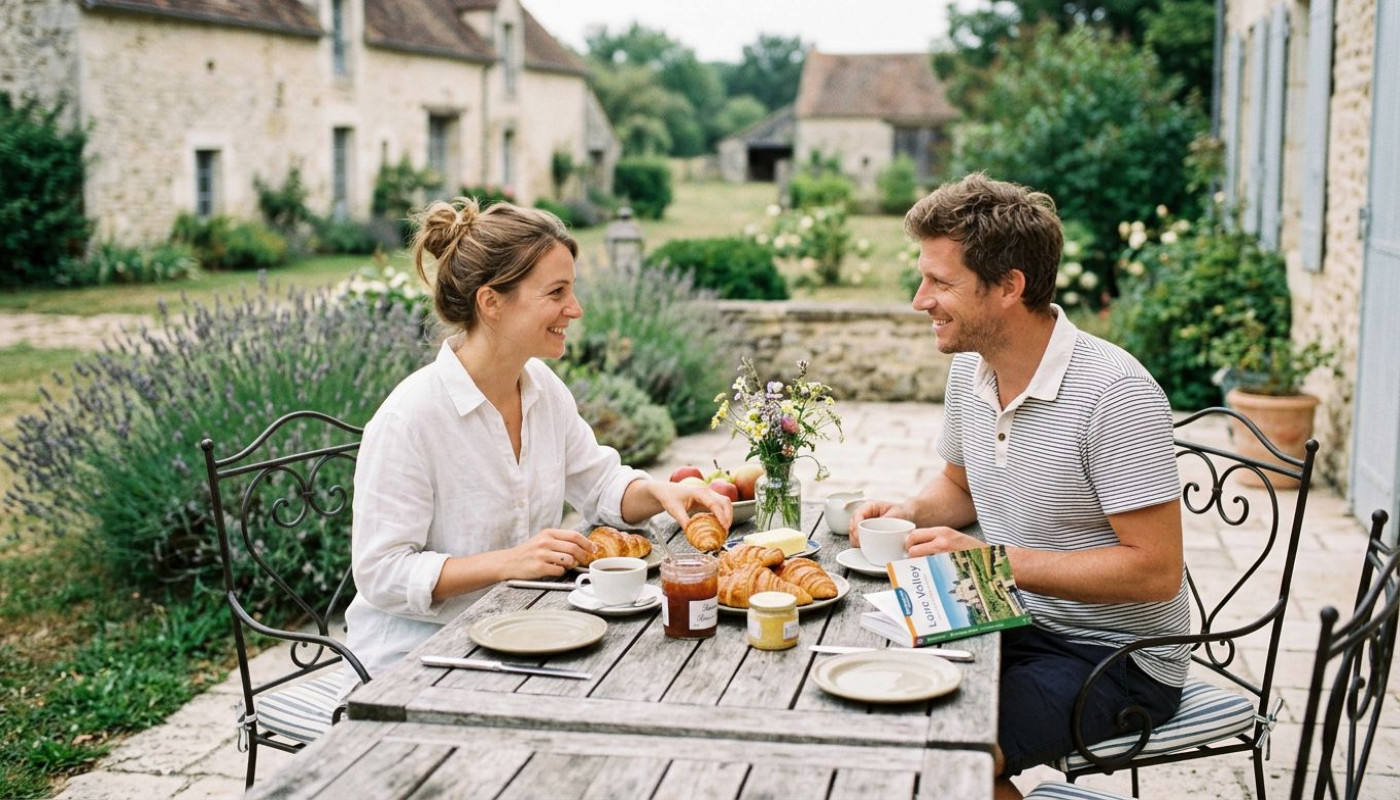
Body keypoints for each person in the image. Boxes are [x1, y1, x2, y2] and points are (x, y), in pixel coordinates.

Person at [850, 174, 1189, 799]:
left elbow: (1156, 572)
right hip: (1009, 612)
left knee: (942, 759)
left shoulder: (1115, 394)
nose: (919, 300)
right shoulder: (971, 371)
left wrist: (991, 563)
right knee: (861, 677)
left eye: (941, 282)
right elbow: (961, 485)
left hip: (1118, 657)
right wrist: (910, 510)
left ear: (1009, 286)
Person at [344, 197, 732, 678]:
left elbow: (599, 484)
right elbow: (381, 573)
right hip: (415, 661)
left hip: (523, 631)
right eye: (556, 293)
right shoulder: (411, 418)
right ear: (491, 302)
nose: (575, 308)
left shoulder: (542, 389)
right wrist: (509, 562)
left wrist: (659, 491)